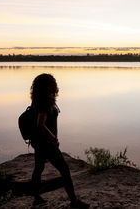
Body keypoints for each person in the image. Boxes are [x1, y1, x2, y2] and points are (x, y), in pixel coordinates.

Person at [30, 73, 89, 208]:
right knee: (64, 170)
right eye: (52, 82)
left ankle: (36, 198)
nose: (55, 84)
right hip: (46, 143)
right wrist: (54, 139)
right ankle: (74, 201)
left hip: (38, 143)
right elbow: (40, 124)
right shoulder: (45, 102)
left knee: (38, 168)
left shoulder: (37, 100)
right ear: (48, 85)